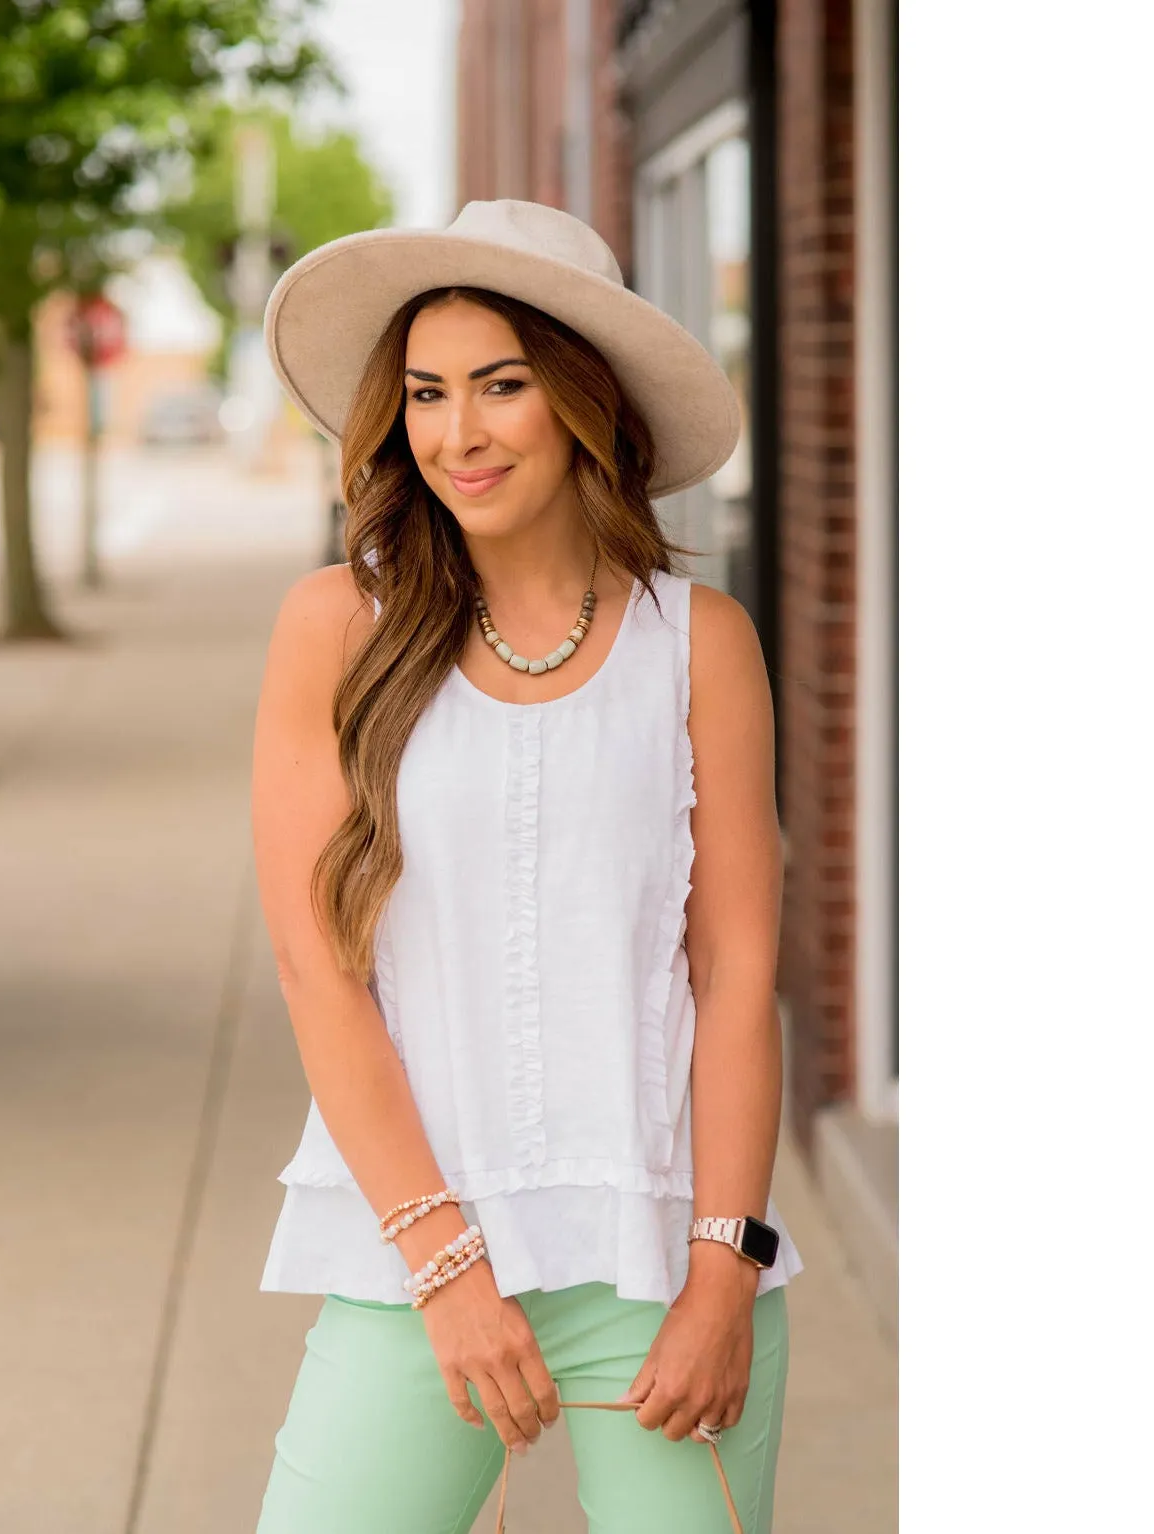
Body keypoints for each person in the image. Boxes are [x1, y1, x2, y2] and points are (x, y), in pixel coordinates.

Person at [248, 199, 804, 1534]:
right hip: (418, 1261)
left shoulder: (699, 641)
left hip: (662, 1258)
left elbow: (733, 971)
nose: (458, 432)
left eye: (501, 386)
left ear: (581, 401)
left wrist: (723, 1272)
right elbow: (321, 972)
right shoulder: (337, 625)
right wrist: (447, 1272)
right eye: (427, 394)